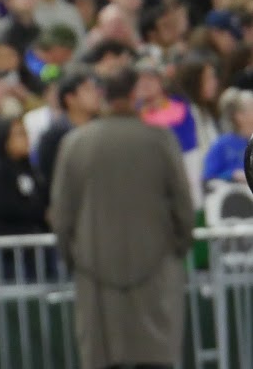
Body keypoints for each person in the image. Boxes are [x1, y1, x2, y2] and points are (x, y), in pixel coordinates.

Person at [49, 66, 193, 369]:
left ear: (103, 96)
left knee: (103, 358)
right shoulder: (160, 140)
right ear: (134, 95)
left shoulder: (75, 143)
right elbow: (183, 204)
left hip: (95, 272)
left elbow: (62, 215)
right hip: (155, 269)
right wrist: (178, 248)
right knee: (155, 357)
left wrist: (73, 257)